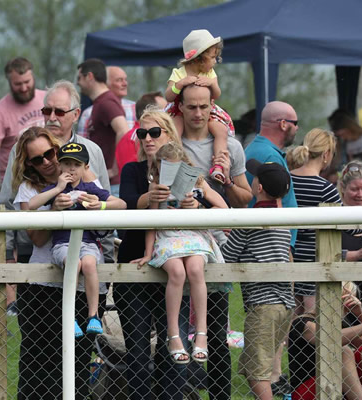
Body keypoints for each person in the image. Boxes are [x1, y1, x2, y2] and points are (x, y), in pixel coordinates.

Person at [10, 126, 106, 398]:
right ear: (28, 164)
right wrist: (54, 209)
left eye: (50, 153)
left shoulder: (86, 178)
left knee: (75, 361)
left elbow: (105, 217)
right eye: (37, 159)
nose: (47, 162)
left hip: (79, 283)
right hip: (42, 283)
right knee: (35, 361)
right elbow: (38, 239)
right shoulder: (29, 189)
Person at [116, 106, 197, 399]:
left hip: (173, 268)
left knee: (173, 346)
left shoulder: (186, 169)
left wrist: (194, 205)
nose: (147, 139)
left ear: (169, 134)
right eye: (142, 133)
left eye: (154, 132)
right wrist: (147, 197)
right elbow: (124, 204)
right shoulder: (132, 170)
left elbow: (212, 202)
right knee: (137, 352)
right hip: (135, 266)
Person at [0, 80, 112, 284]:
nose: (51, 118)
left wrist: (109, 257)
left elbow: (108, 205)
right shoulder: (23, 147)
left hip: (85, 253)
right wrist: (7, 252)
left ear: (76, 114)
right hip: (33, 253)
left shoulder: (92, 151)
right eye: (46, 110)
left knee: (84, 314)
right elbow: (7, 201)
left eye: (59, 112)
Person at [178, 83, 250, 398]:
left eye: (203, 107)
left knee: (217, 330)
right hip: (178, 243)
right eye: (191, 106)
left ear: (212, 107)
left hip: (217, 243)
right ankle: (180, 392)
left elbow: (245, 197)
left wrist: (226, 182)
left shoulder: (230, 146)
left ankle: (221, 394)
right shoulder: (169, 141)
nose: (197, 113)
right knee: (177, 331)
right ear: (180, 107)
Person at [135, 141, 226, 365]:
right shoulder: (156, 187)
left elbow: (223, 209)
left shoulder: (199, 182)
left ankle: (201, 335)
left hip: (193, 235)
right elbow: (151, 222)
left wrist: (197, 206)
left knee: (195, 268)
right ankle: (174, 335)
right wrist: (148, 253)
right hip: (167, 238)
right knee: (177, 272)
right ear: (158, 169)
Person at [28, 142, 126, 336]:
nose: (72, 169)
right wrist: (58, 190)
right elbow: (31, 204)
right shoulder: (56, 189)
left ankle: (93, 316)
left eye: (77, 165)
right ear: (60, 167)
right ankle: (70, 317)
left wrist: (100, 205)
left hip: (89, 243)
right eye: (67, 164)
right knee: (74, 264)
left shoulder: (89, 188)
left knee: (89, 264)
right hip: (63, 244)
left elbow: (121, 204)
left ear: (85, 168)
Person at [221, 159, 296, 400]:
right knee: (262, 364)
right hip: (285, 304)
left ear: (259, 188)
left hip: (263, 304)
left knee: (257, 373)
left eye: (254, 178)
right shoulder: (284, 222)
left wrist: (224, 236)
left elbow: (228, 255)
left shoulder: (249, 220)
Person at [165, 29, 234, 184]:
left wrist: (211, 84)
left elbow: (216, 94)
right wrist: (180, 84)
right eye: (212, 57)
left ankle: (218, 165)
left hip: (207, 110)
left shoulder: (210, 74)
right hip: (180, 110)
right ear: (199, 59)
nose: (215, 61)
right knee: (174, 133)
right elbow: (168, 96)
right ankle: (178, 162)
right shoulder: (179, 73)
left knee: (220, 130)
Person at [289, 282, 362, 400]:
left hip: (337, 384)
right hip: (307, 391)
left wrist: (361, 315)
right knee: (343, 351)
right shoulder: (303, 323)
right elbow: (332, 340)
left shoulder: (341, 324)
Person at [286, 128, 341, 315]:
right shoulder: (326, 189)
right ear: (326, 155)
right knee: (312, 319)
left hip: (289, 256)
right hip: (314, 259)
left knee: (291, 319)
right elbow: (343, 224)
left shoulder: (287, 180)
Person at [0, 57, 46, 205]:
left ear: (33, 77)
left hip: (47, 176)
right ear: (9, 82)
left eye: (27, 82)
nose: (24, 88)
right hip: (16, 181)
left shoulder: (46, 99)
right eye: (18, 84)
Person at [245, 101, 299, 247]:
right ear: (283, 124)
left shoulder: (254, 148)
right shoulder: (271, 157)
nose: (297, 128)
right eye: (295, 123)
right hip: (275, 246)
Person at [77, 58, 130, 192]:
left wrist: (114, 169)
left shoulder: (106, 102)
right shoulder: (102, 101)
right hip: (108, 183)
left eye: (79, 78)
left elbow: (123, 130)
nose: (78, 83)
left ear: (89, 76)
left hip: (113, 185)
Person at [340, 161, 362, 317]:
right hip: (347, 296)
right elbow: (322, 252)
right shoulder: (332, 215)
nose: (360, 195)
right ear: (343, 188)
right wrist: (356, 254)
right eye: (354, 189)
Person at [115, 91, 167, 180]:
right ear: (150, 112)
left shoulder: (131, 135)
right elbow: (132, 176)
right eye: (164, 110)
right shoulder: (134, 138)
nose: (168, 114)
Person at [77, 66, 137, 138]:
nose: (125, 83)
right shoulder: (88, 114)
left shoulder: (136, 108)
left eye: (125, 79)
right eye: (119, 80)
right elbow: (82, 144)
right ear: (106, 83)